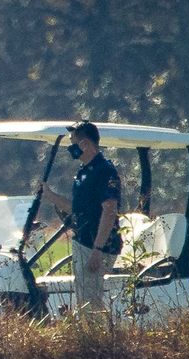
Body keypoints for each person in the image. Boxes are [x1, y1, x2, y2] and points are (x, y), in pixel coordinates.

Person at [41, 120, 122, 314]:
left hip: (95, 245)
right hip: (83, 241)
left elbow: (109, 210)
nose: (71, 148)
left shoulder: (104, 171)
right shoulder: (84, 173)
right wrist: (50, 196)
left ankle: (97, 341)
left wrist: (97, 249)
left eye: (73, 143)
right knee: (84, 298)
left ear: (84, 144)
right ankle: (90, 337)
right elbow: (76, 209)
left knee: (89, 303)